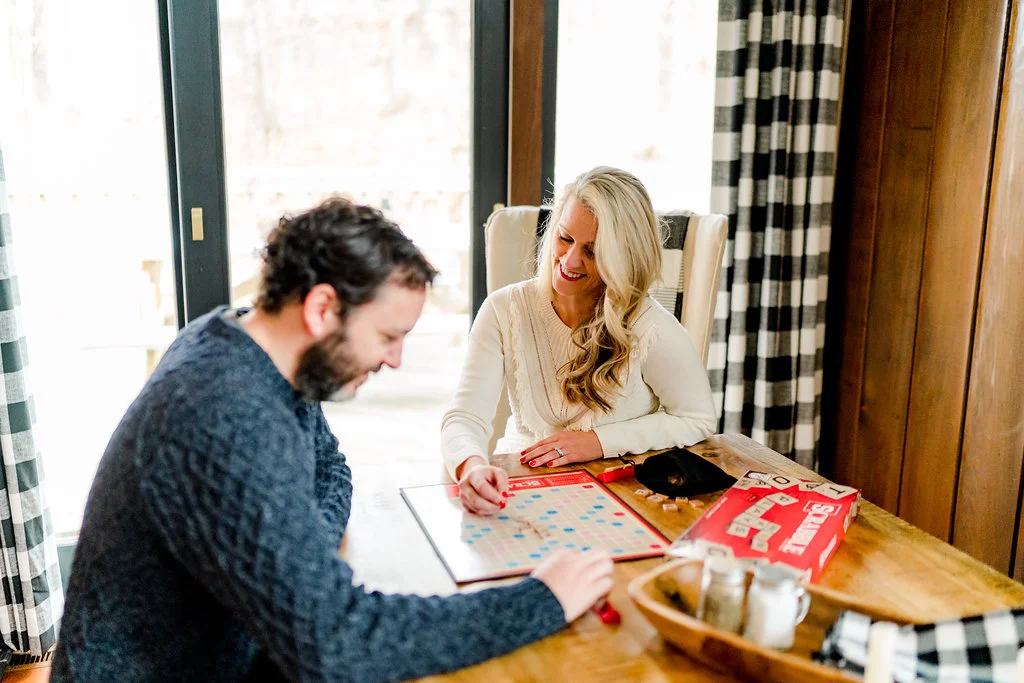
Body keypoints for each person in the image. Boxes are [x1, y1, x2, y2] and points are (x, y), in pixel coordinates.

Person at [52, 198, 614, 683]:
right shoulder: (223, 412)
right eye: (388, 336)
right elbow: (338, 644)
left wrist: (298, 557)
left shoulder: (254, 347)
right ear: (323, 308)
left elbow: (330, 468)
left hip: (235, 650)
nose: (395, 359)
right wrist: (543, 600)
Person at [442, 166, 717, 515]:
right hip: (518, 486)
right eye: (564, 238)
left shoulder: (652, 327)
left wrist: (599, 442)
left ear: (625, 259)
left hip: (620, 494)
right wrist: (471, 467)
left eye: (593, 251)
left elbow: (697, 419)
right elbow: (465, 417)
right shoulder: (503, 309)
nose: (570, 261)